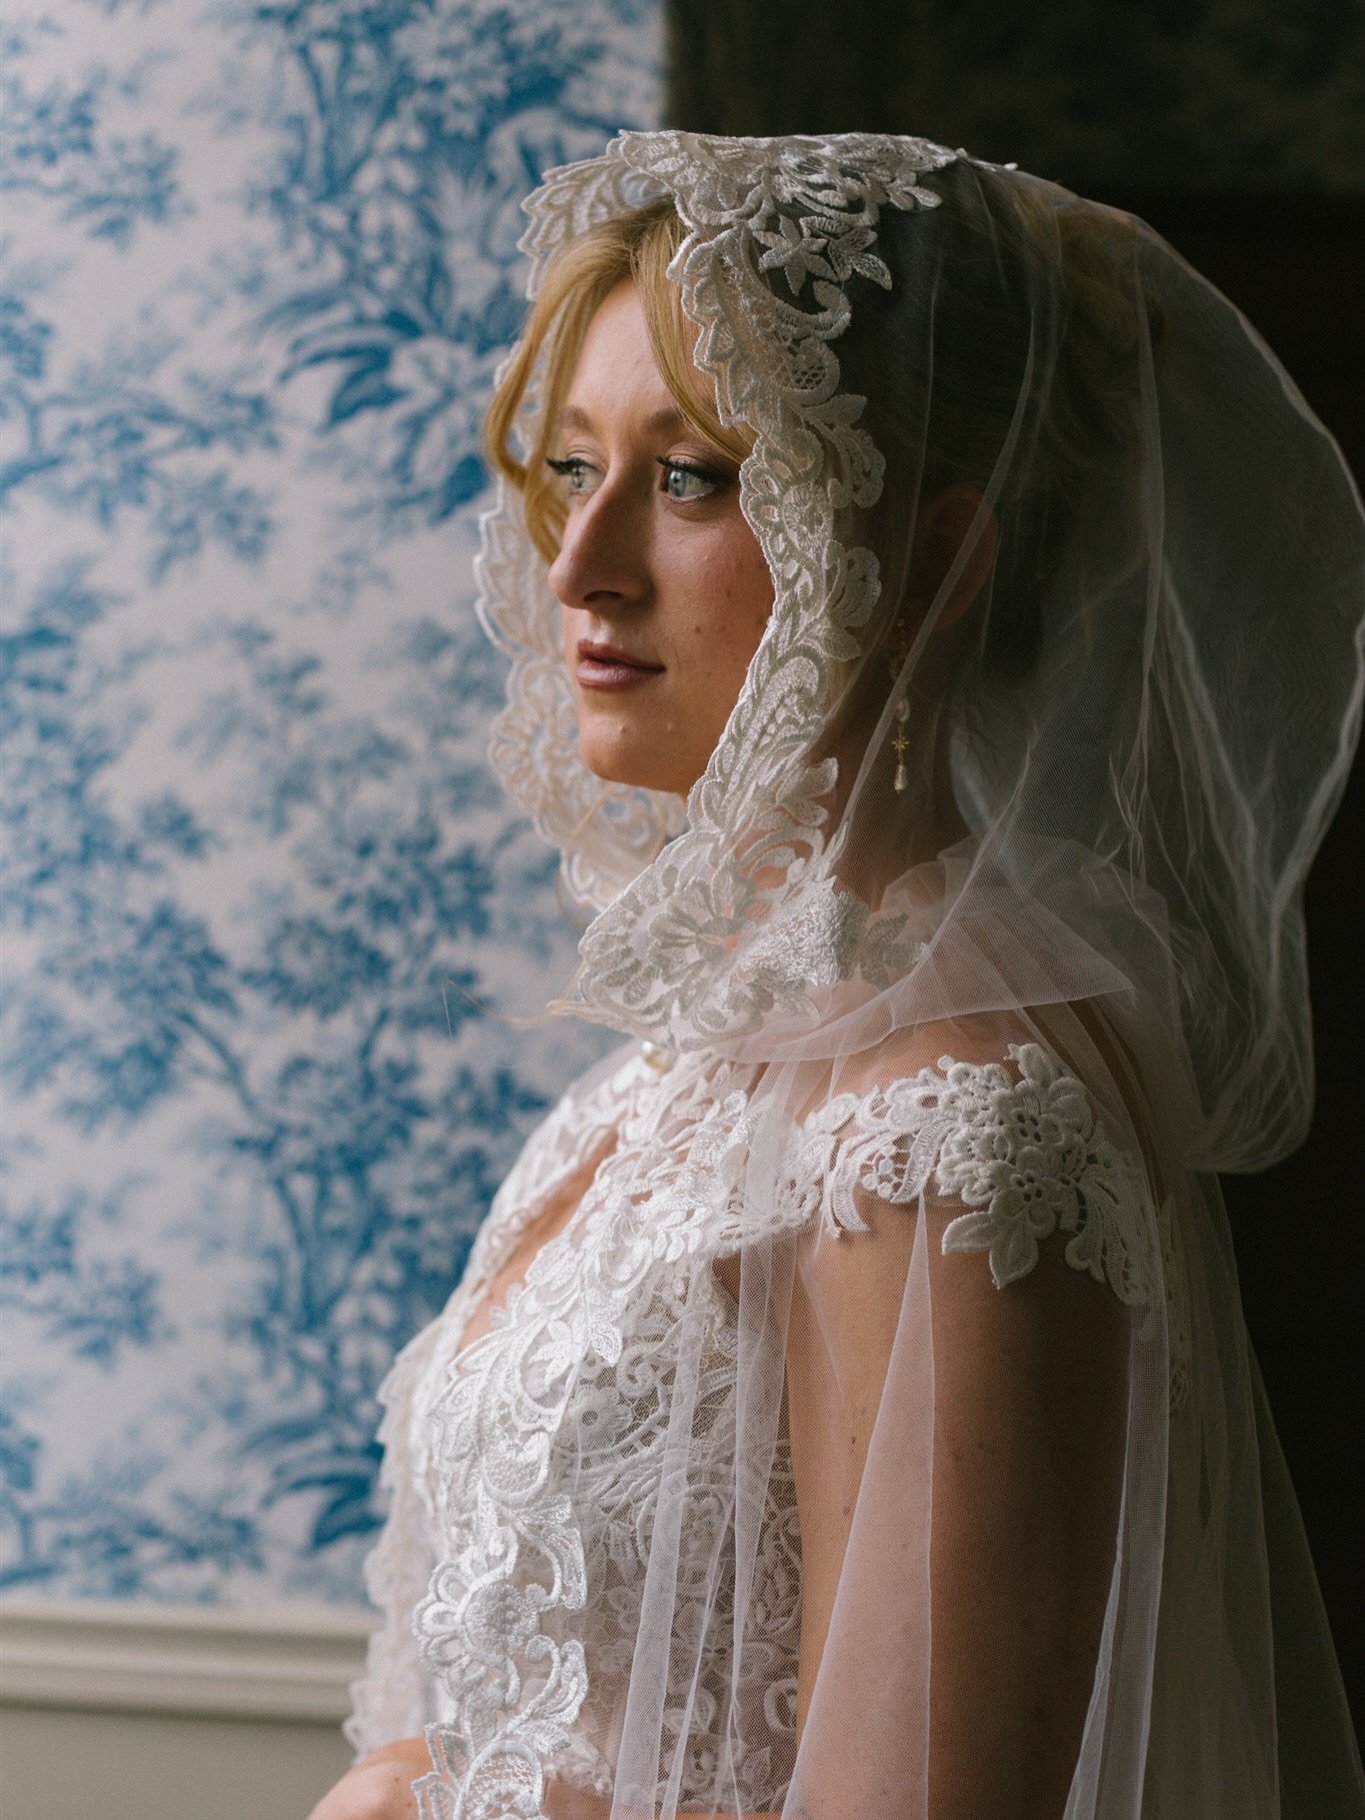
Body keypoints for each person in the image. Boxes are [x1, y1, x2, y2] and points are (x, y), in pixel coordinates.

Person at [310, 132, 1365, 1820]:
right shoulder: (663, 1080)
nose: (580, 567)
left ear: (935, 563)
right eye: (572, 467)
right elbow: (474, 1708)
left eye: (693, 478)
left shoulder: (943, 1135)